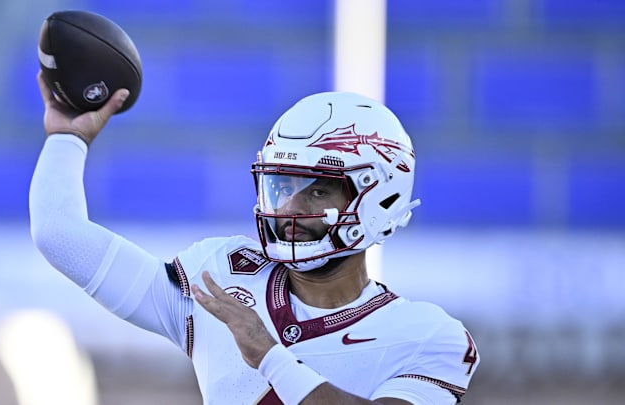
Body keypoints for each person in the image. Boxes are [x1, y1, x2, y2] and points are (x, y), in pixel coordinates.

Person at [29, 71, 480, 405]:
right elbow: (60, 236)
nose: (289, 210)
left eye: (317, 189)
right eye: (282, 187)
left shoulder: (428, 337)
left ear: (379, 196)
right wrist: (67, 139)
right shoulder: (220, 281)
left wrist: (269, 357)